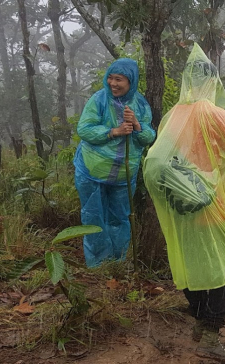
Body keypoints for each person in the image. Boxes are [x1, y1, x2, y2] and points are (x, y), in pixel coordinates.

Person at [143, 44, 225, 363]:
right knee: (224, 271)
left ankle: (201, 322)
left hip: (179, 204)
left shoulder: (172, 116)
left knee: (192, 261)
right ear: (213, 83)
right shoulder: (216, 115)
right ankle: (210, 337)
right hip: (210, 205)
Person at [74, 58, 155, 268]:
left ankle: (117, 263)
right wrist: (113, 132)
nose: (113, 83)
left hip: (122, 175)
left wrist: (137, 124)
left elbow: (148, 137)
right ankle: (98, 265)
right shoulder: (99, 100)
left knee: (119, 218)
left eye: (119, 79)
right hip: (92, 171)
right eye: (110, 78)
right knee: (93, 217)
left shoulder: (140, 104)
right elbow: (84, 129)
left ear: (131, 81)